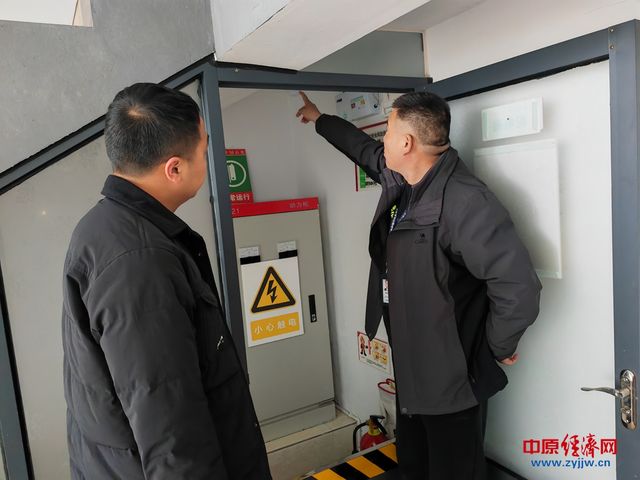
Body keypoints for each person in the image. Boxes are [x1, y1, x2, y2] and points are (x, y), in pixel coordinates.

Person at [296, 91, 541, 479]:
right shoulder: (403, 179)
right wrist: (319, 118)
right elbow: (361, 149)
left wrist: (497, 346)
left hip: (451, 381)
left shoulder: (465, 202)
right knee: (413, 464)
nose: (383, 140)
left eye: (389, 131)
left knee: (454, 471)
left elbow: (518, 285)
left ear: (407, 143)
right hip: (412, 370)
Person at [62, 83, 271, 479]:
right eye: (204, 151)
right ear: (174, 169)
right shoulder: (140, 264)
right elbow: (169, 427)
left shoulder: (101, 227)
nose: (207, 159)